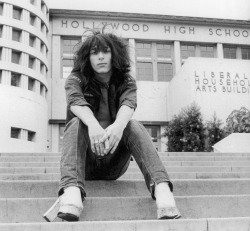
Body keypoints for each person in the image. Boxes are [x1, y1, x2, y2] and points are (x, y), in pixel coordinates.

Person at [43, 29, 181, 222]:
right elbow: (74, 101)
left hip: (114, 164)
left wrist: (118, 126)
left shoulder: (126, 80)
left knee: (132, 125)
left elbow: (129, 104)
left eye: (105, 51)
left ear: (114, 54)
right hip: (85, 164)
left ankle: (162, 190)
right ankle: (72, 193)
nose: (100, 57)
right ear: (87, 57)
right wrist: (92, 125)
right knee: (76, 123)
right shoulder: (76, 78)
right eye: (94, 52)